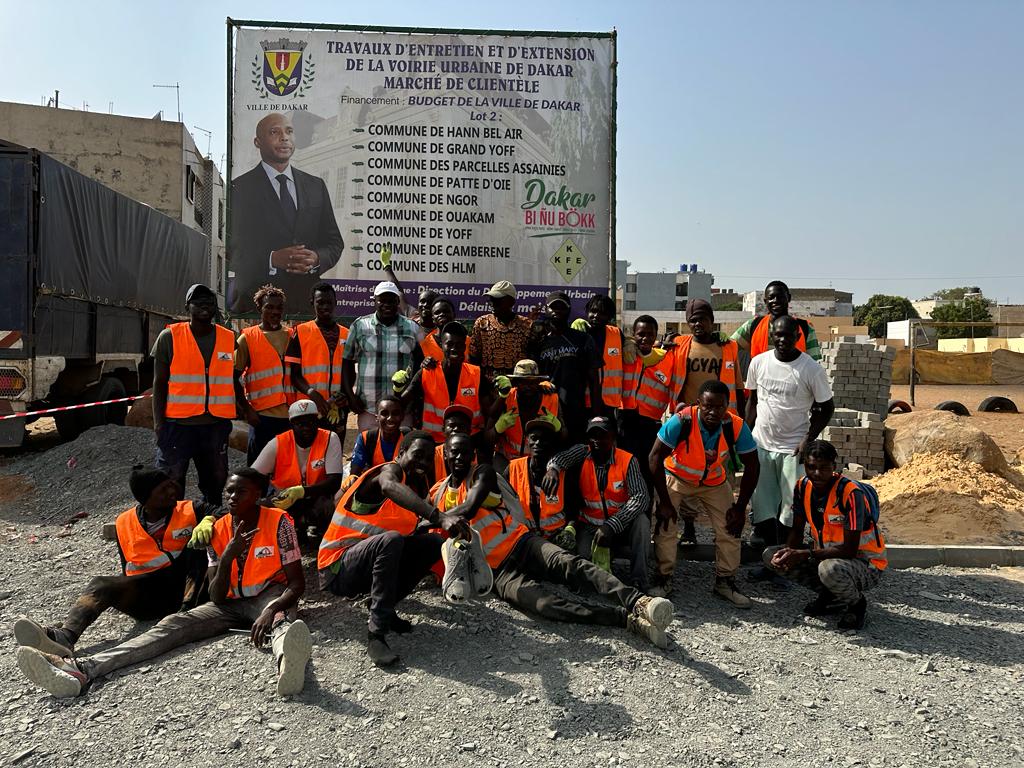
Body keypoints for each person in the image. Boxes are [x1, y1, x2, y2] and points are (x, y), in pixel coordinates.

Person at [16, 469, 312, 699]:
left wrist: (269, 608)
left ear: (258, 494)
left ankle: (288, 663)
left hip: (268, 596)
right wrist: (227, 557)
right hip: (224, 603)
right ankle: (82, 670)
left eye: (241, 492)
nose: (232, 498)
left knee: (280, 623)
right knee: (169, 627)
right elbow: (217, 596)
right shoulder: (217, 531)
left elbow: (296, 584)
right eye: (229, 492)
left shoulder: (279, 522)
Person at [433, 433, 673, 647]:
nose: (459, 457)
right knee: (545, 606)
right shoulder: (437, 494)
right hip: (498, 572)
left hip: (522, 543)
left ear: (473, 455)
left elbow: (470, 506)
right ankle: (626, 619)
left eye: (465, 452)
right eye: (454, 452)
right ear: (445, 454)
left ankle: (639, 601)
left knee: (569, 563)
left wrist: (435, 518)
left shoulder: (482, 473)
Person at [13, 466, 216, 657]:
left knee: (197, 547)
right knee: (100, 584)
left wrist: (209, 520)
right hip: (151, 595)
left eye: (172, 485)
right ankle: (65, 637)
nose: (172, 492)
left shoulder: (192, 508)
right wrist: (121, 591)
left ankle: (184, 616)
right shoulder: (124, 522)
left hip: (191, 592)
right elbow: (126, 566)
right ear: (146, 498)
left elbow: (226, 514)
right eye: (163, 489)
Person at [318, 431, 466, 666]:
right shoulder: (389, 472)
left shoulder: (411, 489)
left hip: (364, 564)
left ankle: (383, 607)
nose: (423, 463)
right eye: (418, 455)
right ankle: (376, 634)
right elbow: (388, 486)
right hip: (336, 568)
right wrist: (438, 515)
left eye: (429, 459)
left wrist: (449, 523)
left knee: (433, 544)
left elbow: (408, 534)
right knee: (391, 541)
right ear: (400, 453)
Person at [648, 381, 761, 606]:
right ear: (698, 403)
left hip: (714, 482)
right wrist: (664, 502)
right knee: (666, 524)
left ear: (726, 406)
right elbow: (654, 457)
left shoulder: (735, 425)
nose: (713, 412)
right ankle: (664, 577)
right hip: (677, 477)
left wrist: (740, 508)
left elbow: (753, 465)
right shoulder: (681, 421)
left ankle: (725, 581)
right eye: (708, 406)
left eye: (719, 407)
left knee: (730, 526)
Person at [764, 440, 887, 630]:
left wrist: (804, 554)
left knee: (829, 570)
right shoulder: (802, 487)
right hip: (827, 556)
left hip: (865, 563)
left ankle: (856, 604)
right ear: (805, 465)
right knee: (770, 556)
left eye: (824, 468)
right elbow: (797, 530)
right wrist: (789, 552)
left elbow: (849, 549)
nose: (817, 473)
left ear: (834, 467)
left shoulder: (850, 494)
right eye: (811, 467)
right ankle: (831, 595)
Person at [229, 112, 344, 312]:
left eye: (289, 131)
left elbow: (334, 243)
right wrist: (272, 259)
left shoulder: (315, 186)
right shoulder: (238, 189)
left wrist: (316, 258)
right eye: (274, 132)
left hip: (306, 306)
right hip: (257, 306)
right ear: (257, 142)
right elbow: (229, 250)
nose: (284, 137)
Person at [746, 316, 835, 558]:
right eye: (778, 334)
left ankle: (786, 561)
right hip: (761, 445)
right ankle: (768, 561)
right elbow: (753, 401)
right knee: (763, 507)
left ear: (798, 337)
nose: (783, 339)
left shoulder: (811, 370)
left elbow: (826, 408)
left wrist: (809, 438)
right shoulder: (758, 363)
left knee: (790, 510)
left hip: (792, 450)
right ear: (771, 336)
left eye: (788, 335)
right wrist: (745, 435)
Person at [544, 416, 651, 591]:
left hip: (620, 527)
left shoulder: (627, 460)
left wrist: (611, 525)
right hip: (590, 526)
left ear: (613, 436)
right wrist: (553, 469)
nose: (596, 440)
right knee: (584, 571)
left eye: (602, 435)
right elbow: (560, 458)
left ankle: (639, 580)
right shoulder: (583, 452)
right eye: (592, 435)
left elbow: (641, 497)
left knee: (642, 523)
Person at [151, 283, 234, 506]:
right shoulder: (169, 337)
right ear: (187, 306)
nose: (204, 307)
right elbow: (159, 384)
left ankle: (211, 518)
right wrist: (159, 423)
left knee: (216, 478)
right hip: (178, 425)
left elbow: (235, 379)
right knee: (171, 478)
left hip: (215, 424)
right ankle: (174, 524)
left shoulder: (229, 338)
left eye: (209, 303)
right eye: (198, 302)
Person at [251, 399, 344, 538]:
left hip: (318, 497)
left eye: (311, 422)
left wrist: (302, 491)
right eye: (301, 424)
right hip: (285, 500)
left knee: (330, 505)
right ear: (292, 424)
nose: (306, 427)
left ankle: (314, 526)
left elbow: (334, 482)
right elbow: (252, 476)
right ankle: (293, 525)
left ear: (317, 421)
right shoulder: (277, 443)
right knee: (257, 508)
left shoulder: (330, 438)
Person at [342, 281, 424, 431]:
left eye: (391, 300)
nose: (387, 304)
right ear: (374, 301)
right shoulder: (359, 326)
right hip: (369, 407)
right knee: (370, 449)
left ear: (398, 302)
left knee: (401, 452)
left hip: (402, 407)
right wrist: (350, 396)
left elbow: (420, 366)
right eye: (382, 300)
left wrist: (410, 396)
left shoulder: (412, 328)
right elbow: (347, 362)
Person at [393, 321, 491, 442]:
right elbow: (400, 405)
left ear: (465, 347)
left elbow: (490, 411)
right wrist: (397, 388)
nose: (454, 349)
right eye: (449, 344)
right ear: (442, 345)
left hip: (469, 441)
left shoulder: (476, 374)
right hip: (433, 442)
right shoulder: (427, 372)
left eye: (459, 344)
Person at [618, 315, 680, 488]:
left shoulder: (667, 359)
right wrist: (627, 342)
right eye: (640, 334)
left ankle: (646, 509)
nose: (645, 338)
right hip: (624, 420)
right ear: (633, 334)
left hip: (650, 425)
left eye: (649, 334)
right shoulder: (626, 354)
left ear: (656, 336)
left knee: (648, 471)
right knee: (625, 468)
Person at [286, 281, 350, 446]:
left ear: (335, 303)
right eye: (320, 302)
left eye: (329, 302)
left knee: (334, 453)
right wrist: (311, 392)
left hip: (336, 409)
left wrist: (346, 395)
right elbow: (294, 374)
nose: (325, 306)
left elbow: (350, 372)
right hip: (309, 409)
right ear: (312, 303)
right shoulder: (299, 332)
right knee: (309, 454)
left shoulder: (347, 334)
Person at [235, 284, 293, 464]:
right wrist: (247, 409)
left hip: (290, 416)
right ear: (260, 308)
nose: (275, 311)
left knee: (284, 467)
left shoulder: (292, 336)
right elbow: (232, 377)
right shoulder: (248, 338)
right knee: (258, 469)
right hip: (261, 418)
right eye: (269, 307)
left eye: (279, 307)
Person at [536, 291, 603, 441]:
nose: (557, 311)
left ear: (569, 310)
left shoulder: (583, 339)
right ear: (546, 309)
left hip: (575, 411)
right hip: (545, 409)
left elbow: (594, 381)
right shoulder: (538, 341)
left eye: (562, 307)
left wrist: (596, 414)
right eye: (553, 307)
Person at [486, 358, 565, 472]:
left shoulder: (551, 398)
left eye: (532, 382)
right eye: (523, 382)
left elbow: (564, 437)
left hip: (539, 462)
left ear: (539, 382)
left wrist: (558, 428)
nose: (528, 386)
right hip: (507, 460)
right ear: (516, 383)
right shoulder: (506, 397)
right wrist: (498, 428)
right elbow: (487, 439)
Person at [505, 419, 577, 540]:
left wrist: (570, 530)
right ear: (527, 440)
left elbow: (574, 511)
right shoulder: (513, 469)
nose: (538, 443)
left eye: (544, 439)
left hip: (556, 537)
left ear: (552, 442)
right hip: (523, 538)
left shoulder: (564, 473)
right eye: (534, 438)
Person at [672, 299, 745, 416]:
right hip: (688, 415)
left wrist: (742, 420)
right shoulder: (678, 345)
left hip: (720, 415)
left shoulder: (728, 347)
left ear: (711, 320)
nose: (697, 324)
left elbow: (738, 388)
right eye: (693, 321)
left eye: (702, 319)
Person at [730, 281, 821, 361]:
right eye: (771, 297)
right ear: (765, 301)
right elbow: (729, 347)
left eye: (780, 296)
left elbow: (814, 364)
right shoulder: (753, 325)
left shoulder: (805, 328)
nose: (775, 301)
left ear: (788, 298)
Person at [469, 281, 533, 380]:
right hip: (488, 385)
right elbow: (474, 357)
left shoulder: (526, 325)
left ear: (511, 301)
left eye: (497, 300)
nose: (492, 303)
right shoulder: (482, 323)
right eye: (490, 299)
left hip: (518, 386)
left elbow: (532, 359)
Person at [574, 294, 626, 411]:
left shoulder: (617, 334)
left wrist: (631, 343)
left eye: (602, 313)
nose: (596, 316)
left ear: (609, 317)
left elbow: (631, 346)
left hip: (609, 403)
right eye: (593, 311)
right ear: (587, 311)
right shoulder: (578, 333)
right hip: (584, 401)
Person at [349, 396, 409, 477]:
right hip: (374, 484)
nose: (390, 418)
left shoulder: (409, 438)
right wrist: (352, 478)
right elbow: (355, 471)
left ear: (402, 416)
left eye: (395, 413)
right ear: (377, 417)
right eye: (384, 413)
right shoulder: (366, 438)